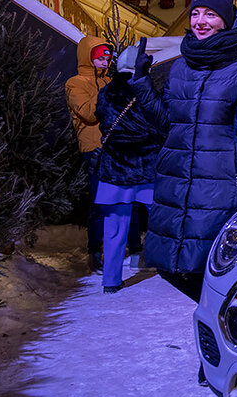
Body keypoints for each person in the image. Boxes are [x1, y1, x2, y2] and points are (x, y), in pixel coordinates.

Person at [130, 0, 237, 302]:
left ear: (227, 20)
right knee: (169, 267)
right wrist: (141, 83)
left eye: (210, 14)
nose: (200, 20)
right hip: (175, 183)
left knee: (210, 268)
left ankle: (227, 328)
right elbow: (166, 123)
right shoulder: (181, 66)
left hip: (217, 185)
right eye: (195, 13)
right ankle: (218, 319)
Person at [94, 42, 166, 293]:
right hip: (146, 168)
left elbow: (100, 119)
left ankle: (111, 280)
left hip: (115, 169)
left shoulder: (106, 93)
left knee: (114, 229)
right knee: (160, 222)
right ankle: (167, 271)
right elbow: (157, 123)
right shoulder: (145, 91)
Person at [65, 35, 112, 272]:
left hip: (115, 148)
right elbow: (89, 113)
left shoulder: (108, 82)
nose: (107, 59)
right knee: (98, 203)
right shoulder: (75, 83)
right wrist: (108, 90)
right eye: (101, 55)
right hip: (94, 150)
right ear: (89, 58)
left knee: (123, 202)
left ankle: (121, 248)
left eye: (108, 55)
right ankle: (95, 252)